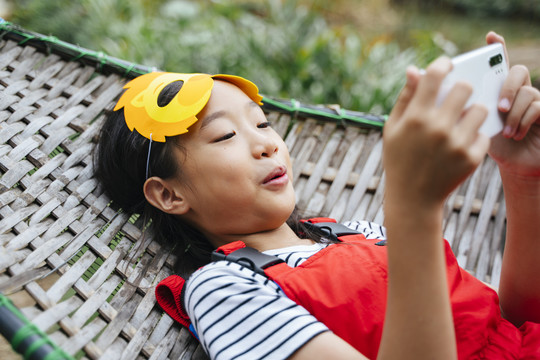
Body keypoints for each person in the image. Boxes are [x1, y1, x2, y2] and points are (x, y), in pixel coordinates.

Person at [94, 31, 540, 359]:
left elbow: (507, 325)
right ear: (168, 195)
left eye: (263, 123)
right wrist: (413, 209)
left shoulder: (356, 233)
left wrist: (524, 178)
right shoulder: (222, 290)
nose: (267, 143)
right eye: (226, 135)